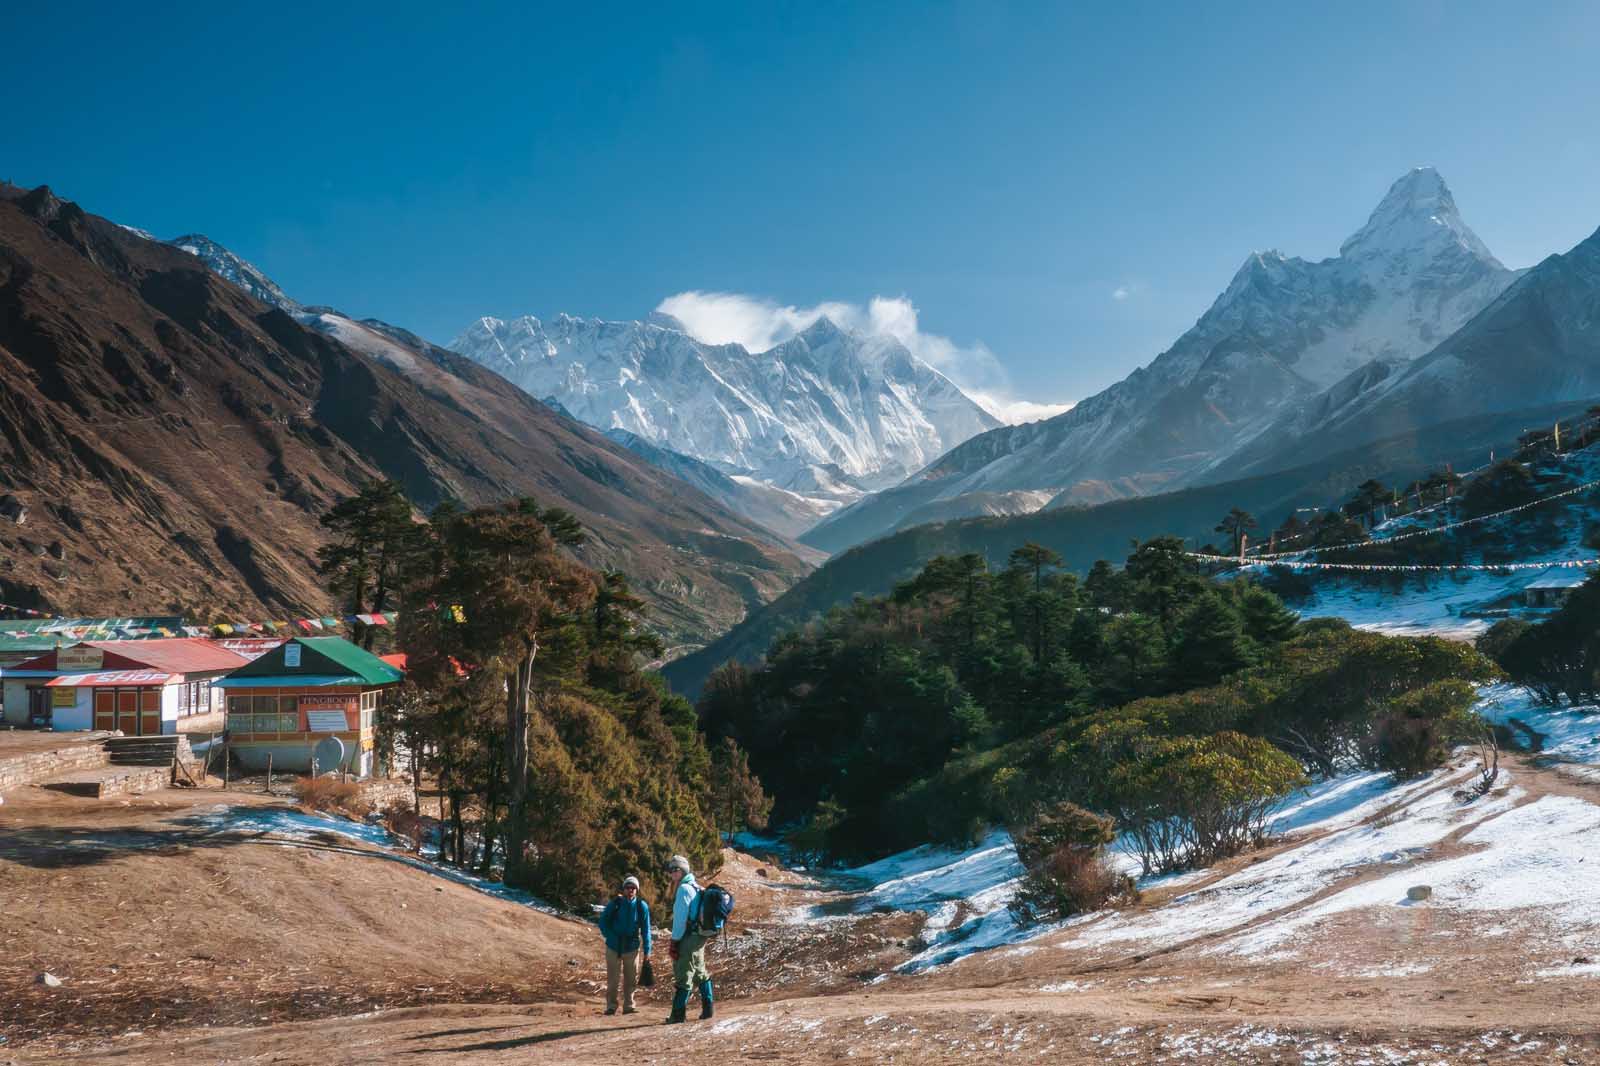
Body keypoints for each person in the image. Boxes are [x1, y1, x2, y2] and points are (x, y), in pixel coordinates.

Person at [663, 854, 712, 1024]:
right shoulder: (696, 886)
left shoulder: (684, 889)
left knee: (684, 974)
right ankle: (708, 1009)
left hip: (688, 938)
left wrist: (674, 941)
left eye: (673, 870)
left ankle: (677, 1015)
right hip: (699, 937)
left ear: (681, 871)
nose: (670, 874)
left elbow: (680, 920)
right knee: (700, 971)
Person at [598, 875, 651, 1016]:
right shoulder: (615, 903)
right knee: (612, 980)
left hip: (632, 948)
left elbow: (646, 930)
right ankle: (611, 1006)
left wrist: (647, 950)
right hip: (613, 947)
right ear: (624, 889)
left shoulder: (642, 906)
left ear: (637, 890)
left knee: (631, 979)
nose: (630, 890)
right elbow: (602, 922)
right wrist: (611, 937)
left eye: (633, 888)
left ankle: (629, 1006)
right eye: (628, 887)